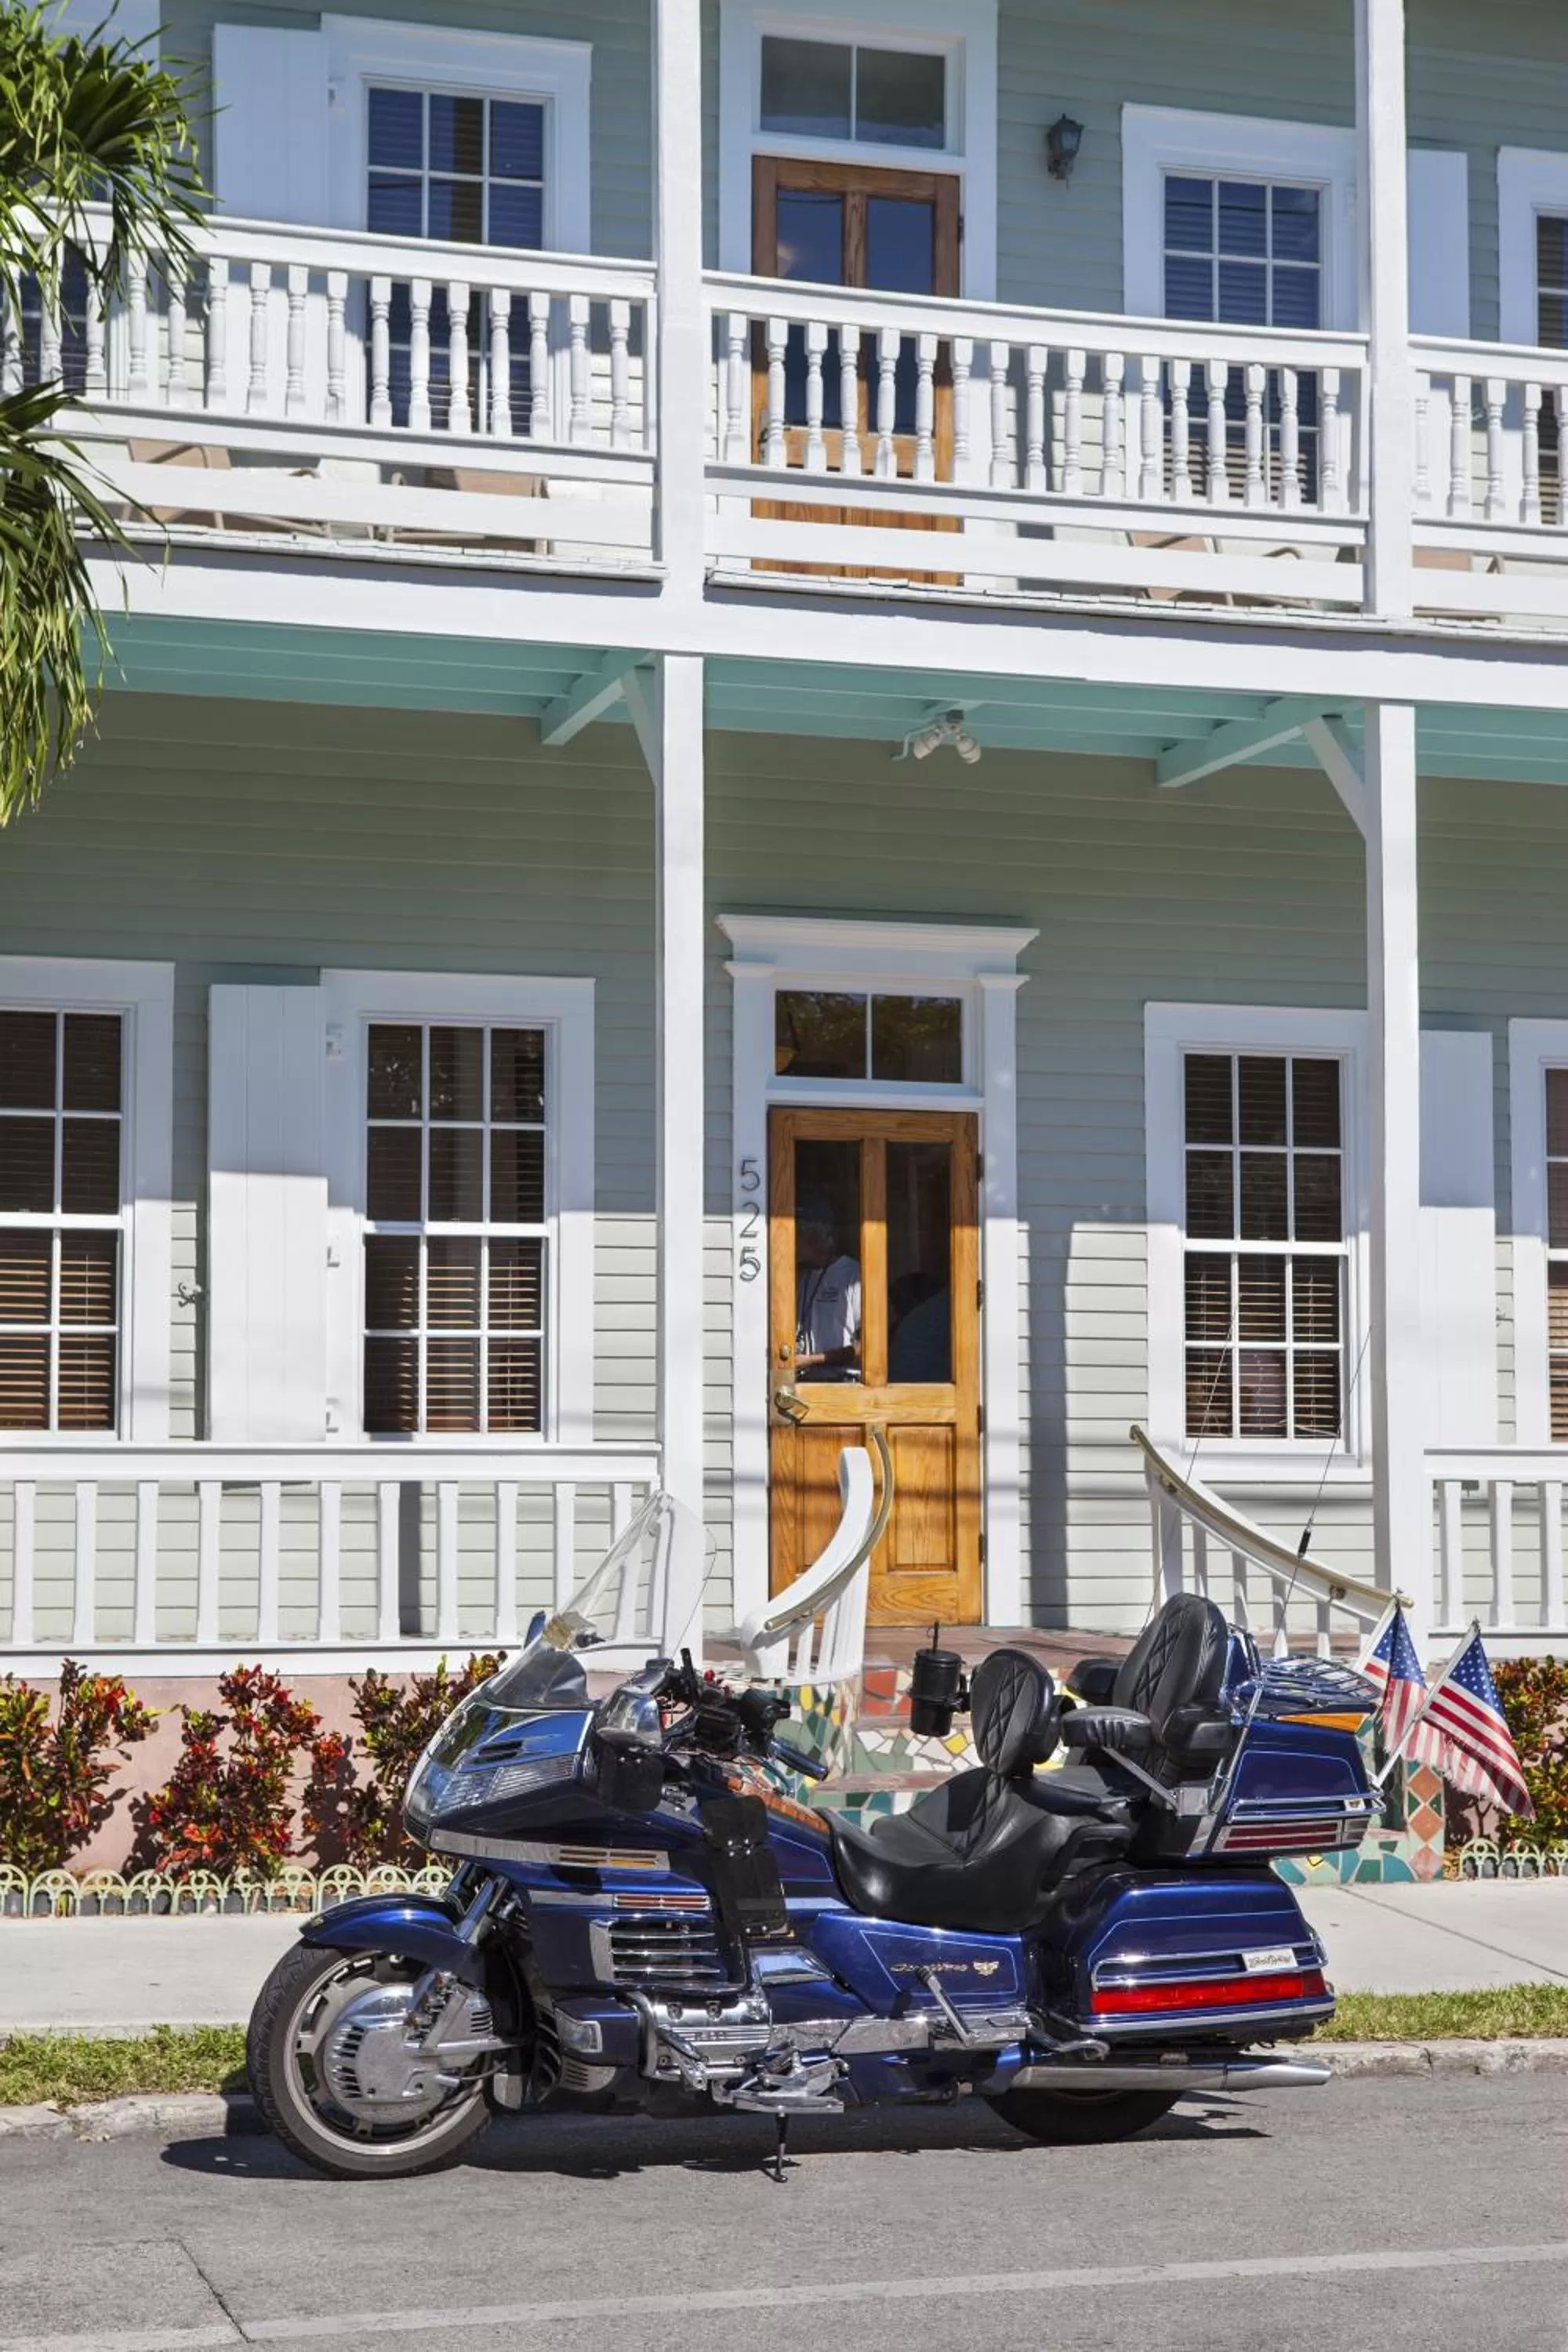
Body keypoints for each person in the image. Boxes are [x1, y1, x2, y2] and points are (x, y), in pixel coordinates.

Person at [794, 1196, 862, 1380]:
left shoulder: (853, 1276)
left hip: (843, 1385)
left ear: (823, 1234)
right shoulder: (799, 1277)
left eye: (800, 1231)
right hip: (805, 1382)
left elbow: (867, 1347)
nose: (792, 1239)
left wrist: (812, 1360)